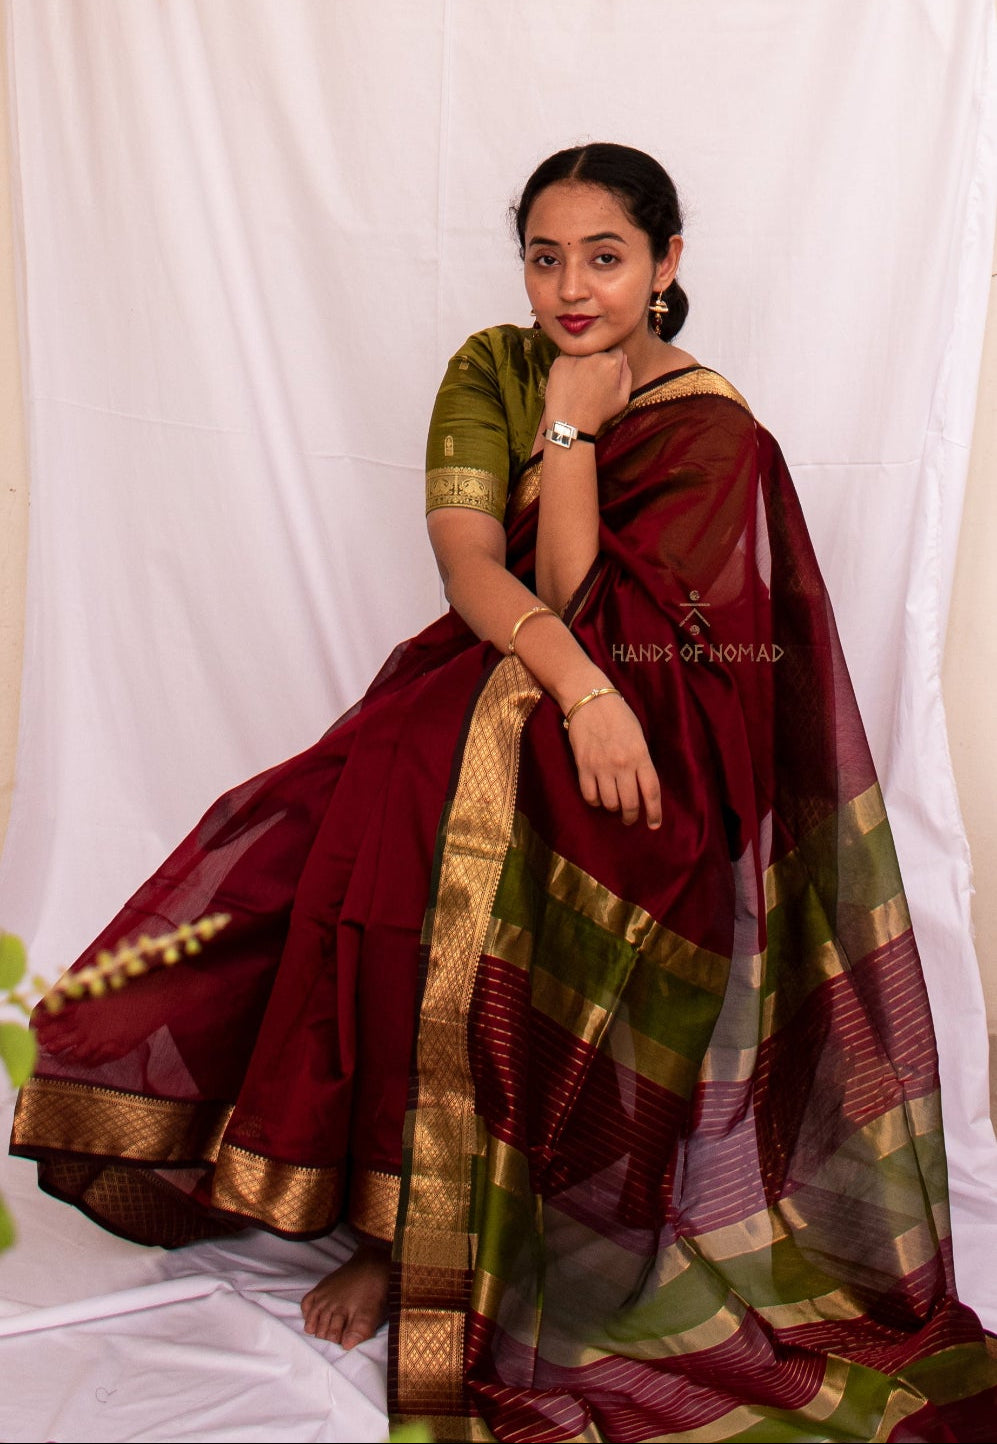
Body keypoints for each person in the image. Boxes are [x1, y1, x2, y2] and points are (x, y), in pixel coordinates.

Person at [11, 143, 997, 1440]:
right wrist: (569, 473)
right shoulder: (492, 371)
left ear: (667, 264)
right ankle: (396, 1228)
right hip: (512, 684)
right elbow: (480, 569)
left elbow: (634, 623)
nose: (572, 288)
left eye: (605, 257)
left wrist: (596, 647)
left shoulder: (717, 434)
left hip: (654, 742)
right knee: (381, 825)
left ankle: (508, 1232)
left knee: (541, 859)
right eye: (545, 258)